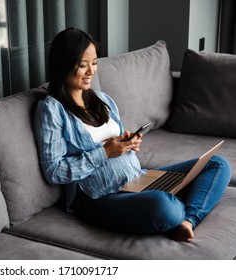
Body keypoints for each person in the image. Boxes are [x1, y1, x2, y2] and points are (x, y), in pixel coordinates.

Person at [33, 27, 232, 242]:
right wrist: (105, 152)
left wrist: (127, 142)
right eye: (83, 65)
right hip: (101, 196)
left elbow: (113, 139)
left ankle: (188, 221)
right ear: (63, 64)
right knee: (165, 207)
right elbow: (54, 171)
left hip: (138, 179)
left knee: (218, 164)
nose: (91, 71)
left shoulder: (101, 99)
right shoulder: (52, 109)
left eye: (94, 62)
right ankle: (179, 207)